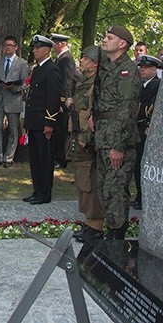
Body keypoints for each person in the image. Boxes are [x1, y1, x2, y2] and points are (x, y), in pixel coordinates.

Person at [94, 25, 140, 240]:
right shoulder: (108, 68)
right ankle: (111, 233)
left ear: (122, 44)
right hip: (104, 137)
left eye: (109, 37)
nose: (104, 40)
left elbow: (127, 110)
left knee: (115, 191)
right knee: (104, 189)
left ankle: (117, 239)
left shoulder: (127, 71)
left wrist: (118, 147)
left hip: (117, 141)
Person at [65, 46, 105, 242]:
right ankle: (90, 221)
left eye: (85, 58)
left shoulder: (97, 84)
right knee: (82, 180)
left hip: (87, 140)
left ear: (95, 63)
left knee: (90, 181)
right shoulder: (85, 82)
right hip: (79, 137)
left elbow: (94, 114)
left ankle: (96, 224)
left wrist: (85, 138)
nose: (81, 60)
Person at [22, 35, 63, 205]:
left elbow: (53, 98)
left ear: (47, 50)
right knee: (35, 159)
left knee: (45, 159)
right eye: (34, 48)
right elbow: (32, 97)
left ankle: (45, 194)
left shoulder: (52, 69)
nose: (34, 50)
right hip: (34, 121)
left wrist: (49, 122)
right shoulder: (37, 69)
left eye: (38, 48)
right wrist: (27, 123)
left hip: (44, 122)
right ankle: (37, 190)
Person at [0, 35, 29, 168]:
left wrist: (14, 88)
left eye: (10, 45)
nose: (7, 47)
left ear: (16, 47)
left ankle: (9, 158)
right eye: (6, 45)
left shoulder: (22, 63)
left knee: (13, 130)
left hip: (13, 100)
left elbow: (25, 84)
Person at [131, 54, 162, 210]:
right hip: (137, 127)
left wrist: (151, 124)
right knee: (137, 164)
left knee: (143, 164)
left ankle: (143, 197)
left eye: (146, 68)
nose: (142, 70)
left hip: (146, 128)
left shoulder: (156, 86)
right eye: (141, 67)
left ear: (154, 69)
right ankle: (139, 195)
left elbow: (155, 109)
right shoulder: (141, 85)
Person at [51, 33, 76, 169]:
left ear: (61, 44)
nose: (53, 46)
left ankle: (61, 159)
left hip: (62, 102)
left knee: (61, 130)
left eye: (55, 43)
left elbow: (66, 82)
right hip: (57, 99)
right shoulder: (60, 58)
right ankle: (57, 156)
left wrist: (62, 102)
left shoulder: (66, 60)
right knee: (57, 130)